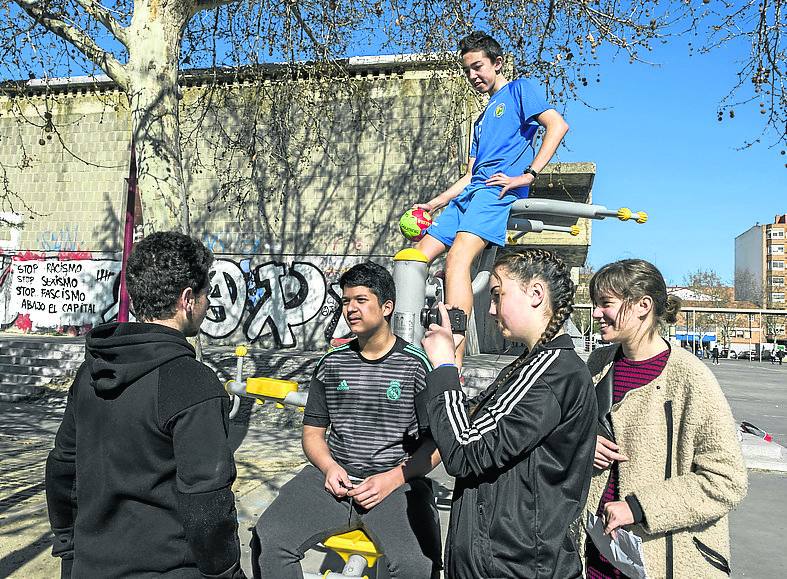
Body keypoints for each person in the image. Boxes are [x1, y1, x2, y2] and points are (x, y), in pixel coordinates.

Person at [45, 231, 245, 578]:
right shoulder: (192, 383)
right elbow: (207, 505)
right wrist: (227, 573)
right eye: (206, 293)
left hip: (89, 567)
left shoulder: (90, 373)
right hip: (168, 569)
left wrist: (69, 551)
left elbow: (62, 470)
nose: (208, 303)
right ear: (187, 299)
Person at [253, 261, 442, 578]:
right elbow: (313, 434)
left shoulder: (416, 364)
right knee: (268, 539)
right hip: (332, 482)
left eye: (361, 300)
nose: (350, 309)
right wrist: (329, 468)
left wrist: (393, 478)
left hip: (395, 486)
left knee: (415, 564)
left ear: (386, 307)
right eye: (345, 301)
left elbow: (435, 445)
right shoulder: (331, 363)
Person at [420, 248, 597, 578]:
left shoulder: (550, 373)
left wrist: (445, 366)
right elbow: (470, 430)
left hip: (514, 566)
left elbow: (465, 451)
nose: (489, 309)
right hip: (505, 562)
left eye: (498, 295)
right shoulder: (532, 366)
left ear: (535, 294)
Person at [412, 31, 569, 369]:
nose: (472, 76)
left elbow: (557, 126)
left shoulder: (519, 90)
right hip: (470, 193)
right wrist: (434, 204)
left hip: (495, 192)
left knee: (457, 261)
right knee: (414, 257)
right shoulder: (480, 121)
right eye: (467, 70)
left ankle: (451, 363)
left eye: (478, 67)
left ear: (497, 63)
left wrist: (528, 175)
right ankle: (402, 345)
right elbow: (470, 175)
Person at [585, 259, 748, 579]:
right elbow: (570, 430)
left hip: (667, 561)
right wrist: (584, 444)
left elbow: (727, 480)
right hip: (597, 560)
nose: (595, 314)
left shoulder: (691, 378)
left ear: (642, 306)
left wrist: (638, 507)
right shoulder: (598, 363)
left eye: (605, 304)